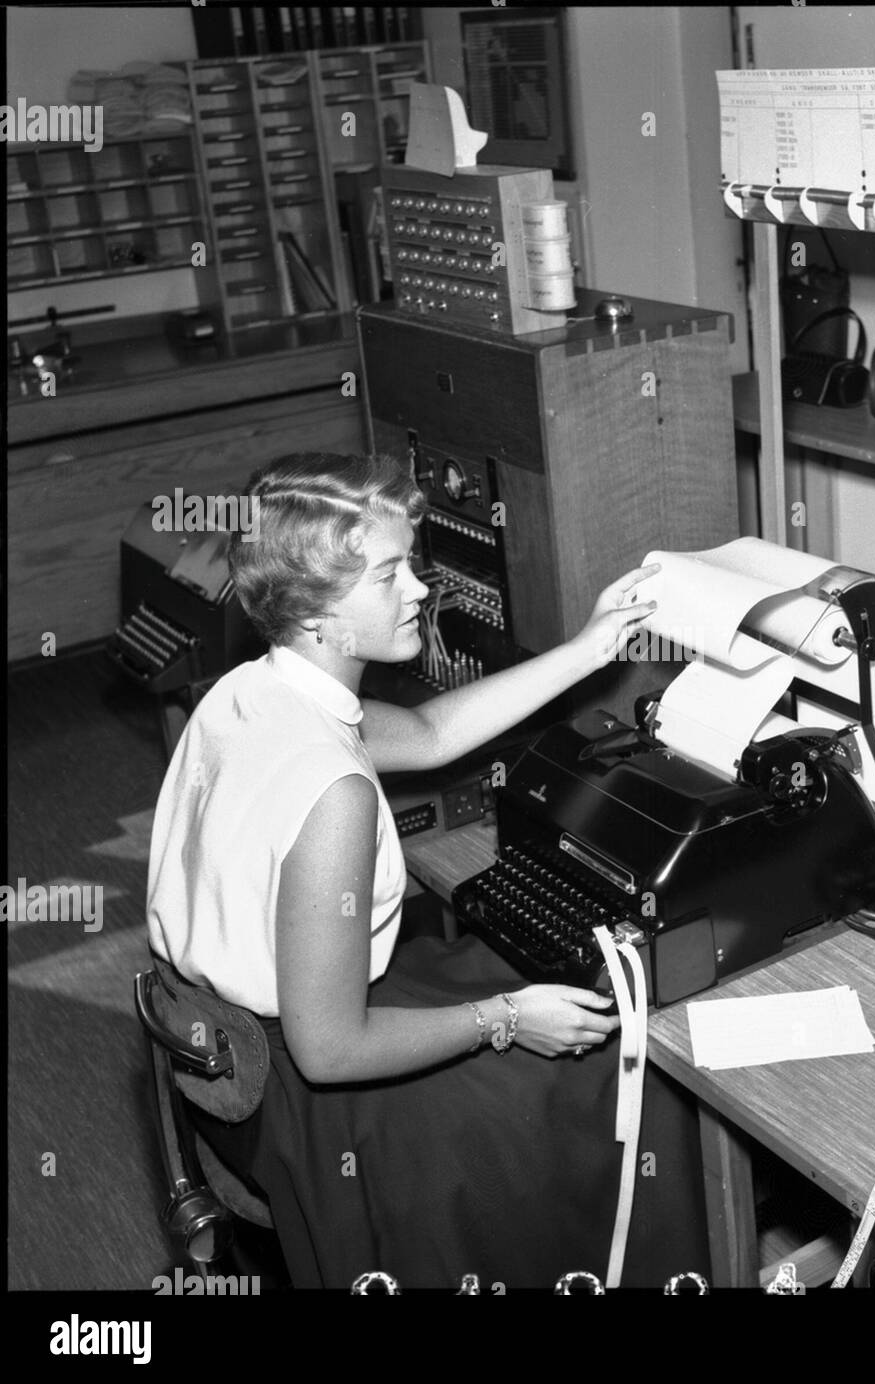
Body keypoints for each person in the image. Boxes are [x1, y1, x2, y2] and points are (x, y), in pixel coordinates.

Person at [146, 451, 709, 1289]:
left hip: (227, 1049)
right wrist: (507, 1018)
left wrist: (592, 649)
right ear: (319, 617)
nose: (419, 589)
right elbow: (331, 1049)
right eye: (389, 575)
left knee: (523, 977)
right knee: (629, 1072)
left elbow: (434, 734)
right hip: (298, 1096)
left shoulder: (251, 689)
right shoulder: (332, 792)